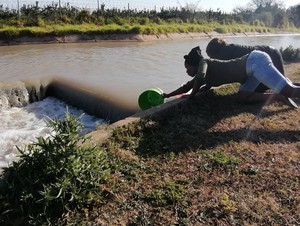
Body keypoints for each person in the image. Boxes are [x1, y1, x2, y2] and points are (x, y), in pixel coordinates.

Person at [162, 46, 300, 108]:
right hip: (250, 71)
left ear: (194, 65)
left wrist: (191, 96)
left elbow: (200, 78)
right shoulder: (206, 70)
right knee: (242, 97)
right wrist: (167, 95)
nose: (186, 71)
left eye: (187, 68)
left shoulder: (205, 63)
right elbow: (188, 86)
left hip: (255, 61)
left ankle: (284, 94)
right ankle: (277, 97)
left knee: (290, 90)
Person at [205, 37, 285, 92]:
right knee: (264, 87)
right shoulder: (227, 50)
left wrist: (207, 84)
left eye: (211, 56)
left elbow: (219, 72)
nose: (211, 59)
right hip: (268, 54)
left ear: (215, 52)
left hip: (272, 54)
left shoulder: (225, 52)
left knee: (281, 85)